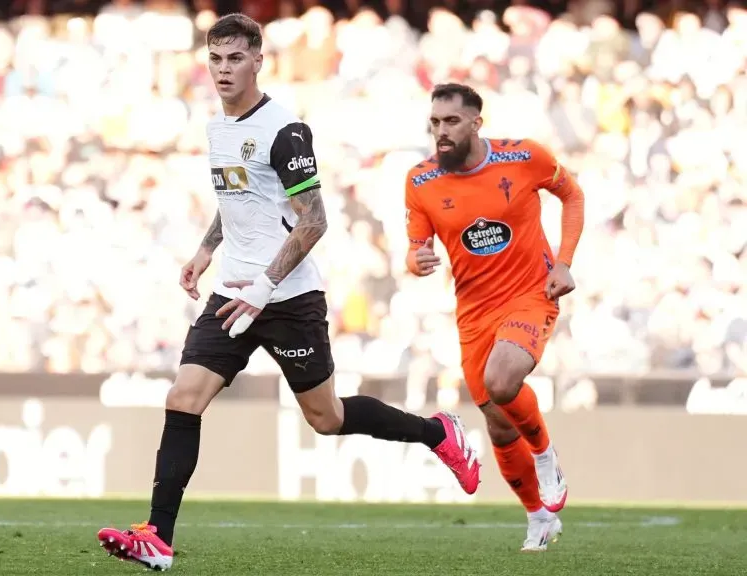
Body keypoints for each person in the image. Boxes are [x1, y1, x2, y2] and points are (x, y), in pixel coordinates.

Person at [96, 15, 481, 571]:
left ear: (258, 60)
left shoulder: (284, 130)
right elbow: (241, 200)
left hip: (288, 298)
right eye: (216, 59)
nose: (224, 70)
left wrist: (265, 284)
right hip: (234, 293)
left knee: (325, 418)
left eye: (235, 59)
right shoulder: (215, 128)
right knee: (183, 397)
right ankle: (157, 536)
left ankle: (436, 432)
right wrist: (206, 251)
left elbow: (314, 220)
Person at [405, 83, 585, 552]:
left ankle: (546, 457)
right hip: (473, 312)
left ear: (475, 123)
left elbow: (574, 196)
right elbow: (416, 246)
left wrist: (564, 261)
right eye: (435, 123)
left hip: (531, 293)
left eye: (451, 122)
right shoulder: (420, 180)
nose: (441, 132)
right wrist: (415, 260)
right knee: (500, 425)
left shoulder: (524, 157)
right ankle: (538, 518)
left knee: (504, 382)